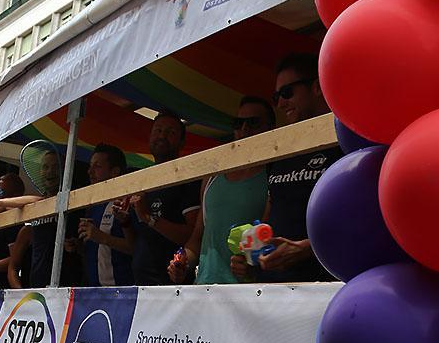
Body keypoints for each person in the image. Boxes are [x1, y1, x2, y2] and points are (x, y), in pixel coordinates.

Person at [231, 54, 342, 284]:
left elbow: (362, 220)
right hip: (271, 289)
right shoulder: (283, 151)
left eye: (287, 93)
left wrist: (307, 248)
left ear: (317, 87)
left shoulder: (343, 143)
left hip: (321, 287)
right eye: (276, 96)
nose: (280, 103)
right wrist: (252, 259)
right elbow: (270, 215)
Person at [167, 97, 276, 285]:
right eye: (238, 123)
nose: (244, 130)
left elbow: (268, 240)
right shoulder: (212, 177)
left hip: (245, 294)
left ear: (270, 128)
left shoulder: (273, 176)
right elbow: (197, 238)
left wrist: (252, 268)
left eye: (253, 123)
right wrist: (182, 263)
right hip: (203, 288)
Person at [0, 153, 81, 288]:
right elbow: (12, 266)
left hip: (69, 291)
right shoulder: (28, 225)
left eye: (55, 167)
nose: (50, 171)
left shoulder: (74, 201)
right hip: (34, 292)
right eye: (45, 167)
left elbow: (38, 201)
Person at [123, 112, 200, 286]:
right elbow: (138, 241)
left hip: (172, 288)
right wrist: (125, 221)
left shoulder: (187, 178)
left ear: (182, 142)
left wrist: (149, 218)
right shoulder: (145, 179)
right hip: (141, 286)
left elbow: (192, 235)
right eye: (157, 130)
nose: (162, 136)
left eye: (170, 132)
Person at [78, 144, 134, 287]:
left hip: (121, 291)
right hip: (93, 291)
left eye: (97, 166)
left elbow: (134, 247)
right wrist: (77, 246)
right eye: (90, 166)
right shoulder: (94, 205)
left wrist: (101, 237)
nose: (90, 171)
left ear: (114, 172)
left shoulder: (126, 202)